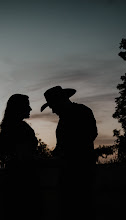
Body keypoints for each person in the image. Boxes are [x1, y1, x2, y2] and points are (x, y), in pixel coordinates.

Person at [41, 85, 98, 219]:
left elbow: (89, 136)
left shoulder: (82, 112)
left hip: (81, 171)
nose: (53, 110)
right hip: (69, 172)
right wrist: (58, 151)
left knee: (80, 208)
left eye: (53, 106)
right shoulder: (65, 119)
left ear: (61, 101)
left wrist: (66, 153)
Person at [0, 94, 42, 220]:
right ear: (18, 108)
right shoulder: (20, 128)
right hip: (23, 181)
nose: (30, 109)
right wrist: (54, 162)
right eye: (27, 105)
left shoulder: (9, 126)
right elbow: (24, 157)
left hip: (13, 178)